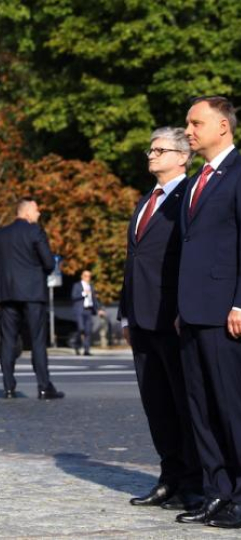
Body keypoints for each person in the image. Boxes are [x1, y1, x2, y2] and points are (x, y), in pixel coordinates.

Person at [119, 127, 202, 512]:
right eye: (149, 149)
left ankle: (194, 482)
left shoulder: (189, 198)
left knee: (184, 404)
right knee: (156, 405)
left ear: (182, 157)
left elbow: (191, 261)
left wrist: (185, 309)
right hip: (141, 318)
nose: (150, 156)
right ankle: (169, 478)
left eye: (159, 150)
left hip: (172, 318)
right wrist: (125, 312)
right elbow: (134, 259)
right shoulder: (145, 201)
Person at [176, 96, 241, 528]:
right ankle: (216, 492)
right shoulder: (197, 179)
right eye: (186, 124)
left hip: (225, 312)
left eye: (196, 123)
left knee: (232, 408)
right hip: (192, 312)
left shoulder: (239, 173)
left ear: (223, 126)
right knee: (201, 409)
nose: (188, 131)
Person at [0, 197, 64, 400]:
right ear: (28, 212)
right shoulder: (34, 231)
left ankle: (8, 387)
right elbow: (48, 263)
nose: (39, 214)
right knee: (38, 340)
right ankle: (43, 386)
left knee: (8, 341)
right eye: (37, 210)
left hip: (7, 294)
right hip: (32, 293)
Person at [71, 270, 104, 356]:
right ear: (82, 276)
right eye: (86, 276)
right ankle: (76, 344)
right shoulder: (77, 285)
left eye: (89, 276)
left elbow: (94, 300)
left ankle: (86, 350)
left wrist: (99, 309)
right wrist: (83, 294)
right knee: (81, 328)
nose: (88, 278)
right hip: (80, 310)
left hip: (89, 310)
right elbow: (73, 296)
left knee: (88, 331)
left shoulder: (91, 286)